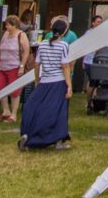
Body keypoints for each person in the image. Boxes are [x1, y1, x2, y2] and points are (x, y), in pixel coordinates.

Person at [18, 17, 74, 150]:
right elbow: (65, 66)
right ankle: (55, 140)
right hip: (58, 81)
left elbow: (37, 65)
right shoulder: (63, 45)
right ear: (64, 31)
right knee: (57, 111)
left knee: (37, 107)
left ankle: (29, 133)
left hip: (44, 80)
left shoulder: (42, 44)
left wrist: (37, 80)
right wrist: (69, 86)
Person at [0, 14, 31, 124]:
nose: (7, 27)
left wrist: (22, 66)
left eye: (9, 25)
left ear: (15, 26)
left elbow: (26, 51)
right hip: (3, 66)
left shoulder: (21, 35)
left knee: (14, 91)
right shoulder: (5, 34)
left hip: (14, 66)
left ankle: (14, 114)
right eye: (6, 25)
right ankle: (6, 111)